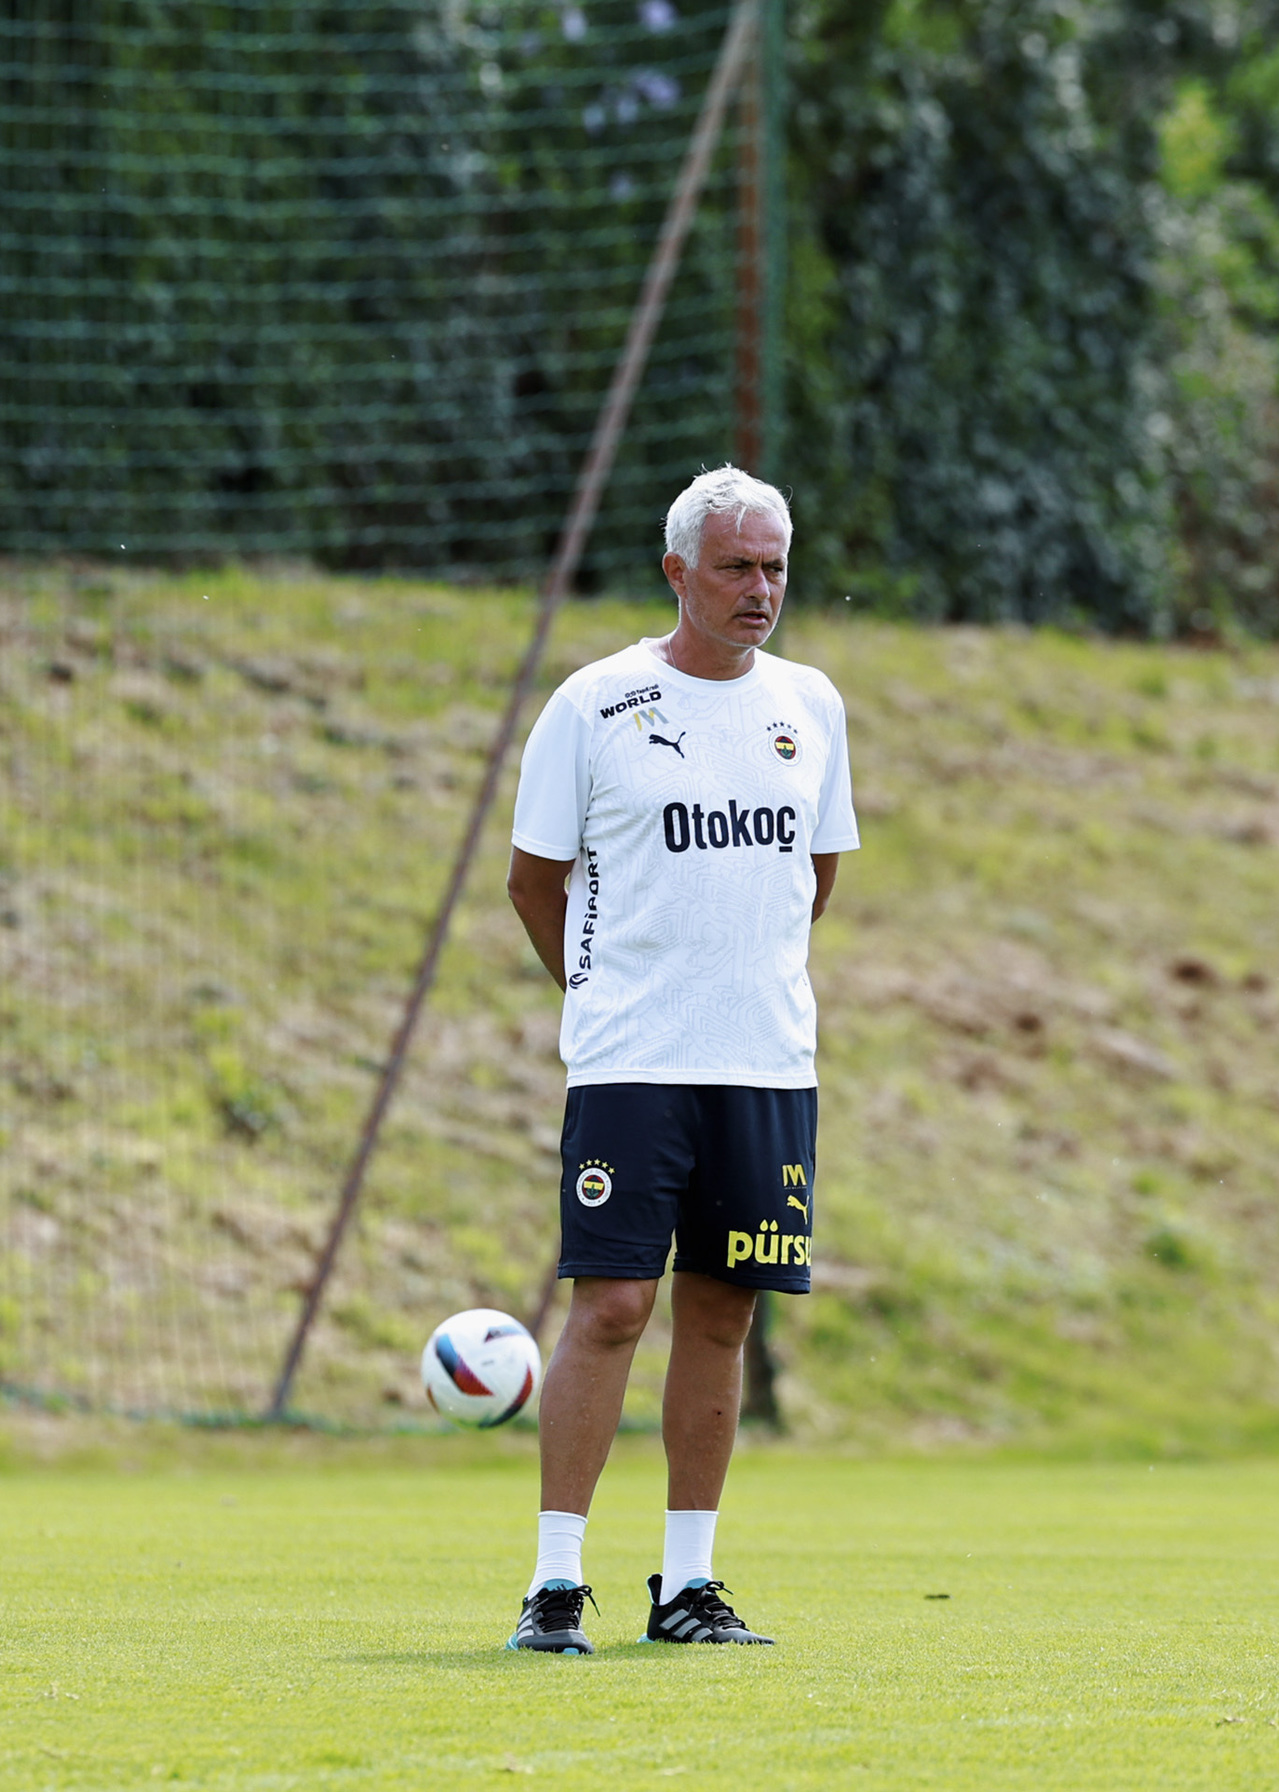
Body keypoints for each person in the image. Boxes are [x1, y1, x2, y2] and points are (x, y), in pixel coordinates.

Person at [502, 466, 859, 1653]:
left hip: (765, 1065)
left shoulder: (811, 704)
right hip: (631, 1063)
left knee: (722, 1316)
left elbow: (815, 870)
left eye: (773, 567)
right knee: (610, 1305)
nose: (759, 589)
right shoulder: (593, 703)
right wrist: (606, 997)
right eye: (734, 567)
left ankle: (687, 1586)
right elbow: (532, 879)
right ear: (676, 572)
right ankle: (556, 1586)